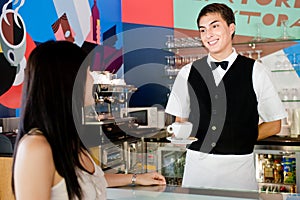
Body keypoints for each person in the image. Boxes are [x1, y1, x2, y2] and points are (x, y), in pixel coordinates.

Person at [12, 40, 166, 200]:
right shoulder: (36, 148)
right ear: (68, 82)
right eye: (87, 73)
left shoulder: (68, 139)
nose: (92, 80)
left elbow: (91, 181)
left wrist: (135, 178)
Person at [165, 3, 286, 191]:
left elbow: (274, 124)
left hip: (238, 171)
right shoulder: (187, 72)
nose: (208, 35)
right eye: (203, 30)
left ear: (231, 28)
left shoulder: (256, 71)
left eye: (215, 26)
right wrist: (179, 133)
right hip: (198, 169)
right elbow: (180, 122)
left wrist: (240, 138)